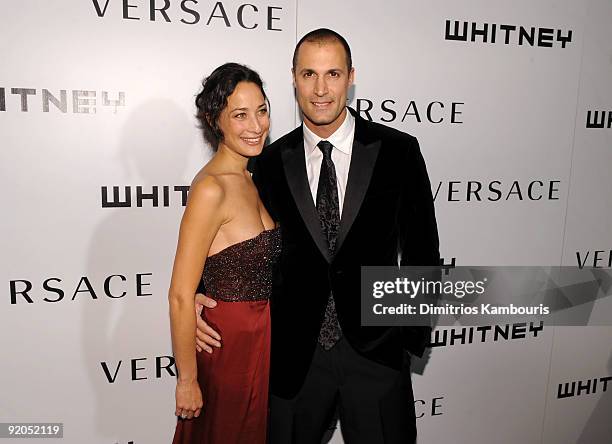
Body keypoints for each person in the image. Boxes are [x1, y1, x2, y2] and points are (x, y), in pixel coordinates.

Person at [196, 29, 440, 443]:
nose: (321, 89)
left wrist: (406, 337)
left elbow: (422, 249)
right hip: (294, 359)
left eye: (333, 74)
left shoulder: (399, 150)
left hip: (376, 354)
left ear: (351, 77)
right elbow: (241, 239)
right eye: (309, 74)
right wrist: (204, 292)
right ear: (293, 78)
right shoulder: (269, 162)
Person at [168, 62, 280, 444]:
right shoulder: (211, 188)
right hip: (226, 345)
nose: (256, 125)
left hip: (261, 340)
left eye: (262, 110)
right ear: (215, 120)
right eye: (240, 115)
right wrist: (187, 379)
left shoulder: (253, 177)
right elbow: (181, 294)